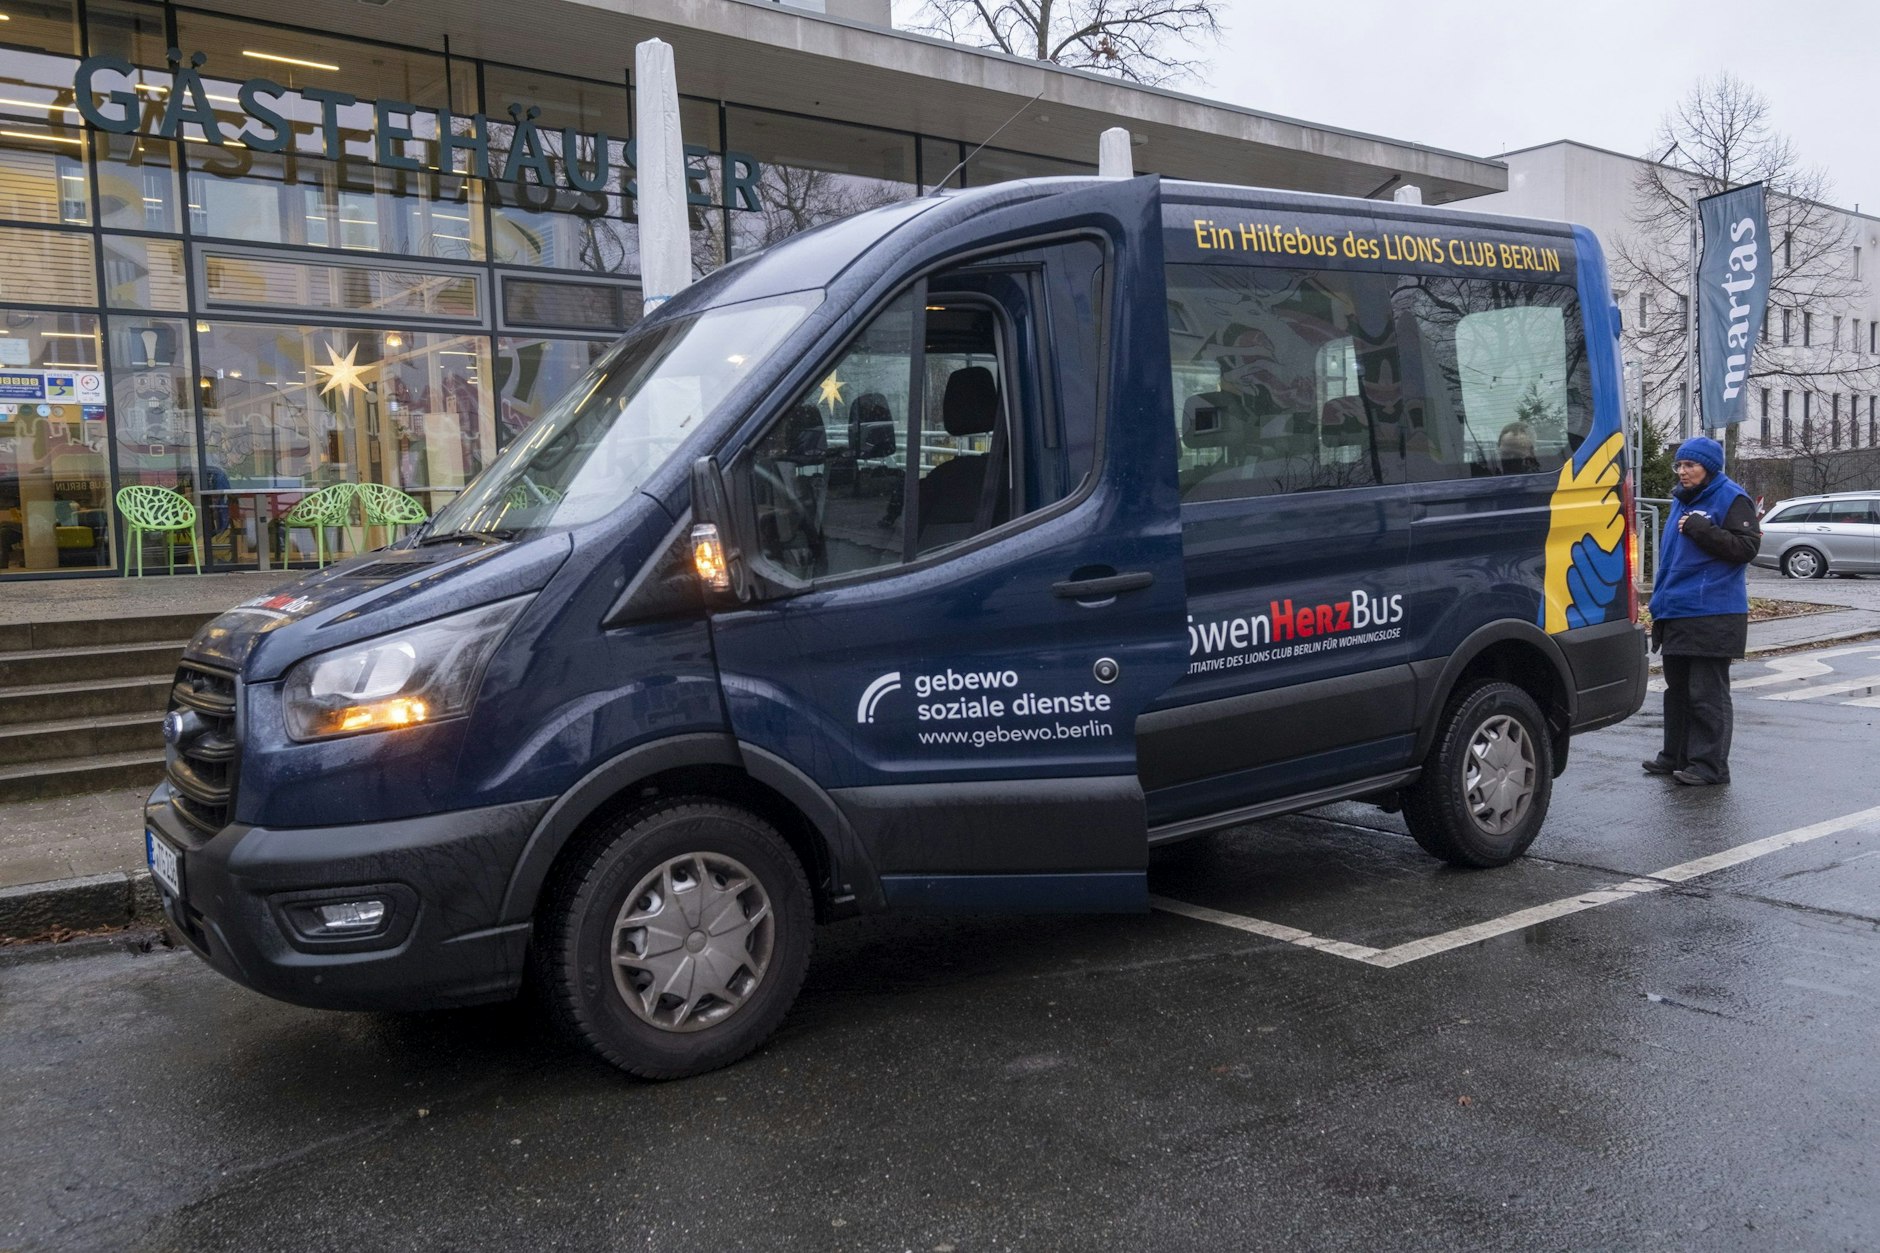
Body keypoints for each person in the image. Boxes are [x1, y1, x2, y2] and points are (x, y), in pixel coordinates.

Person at [1642, 436, 1761, 785]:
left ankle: (1710, 766)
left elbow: (1746, 547)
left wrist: (1702, 529)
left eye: (1690, 465)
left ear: (1708, 467)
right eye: (1679, 465)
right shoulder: (1681, 500)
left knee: (1706, 693)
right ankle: (1675, 756)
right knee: (1677, 691)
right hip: (1677, 609)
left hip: (1714, 611)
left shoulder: (1731, 497)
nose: (1682, 471)